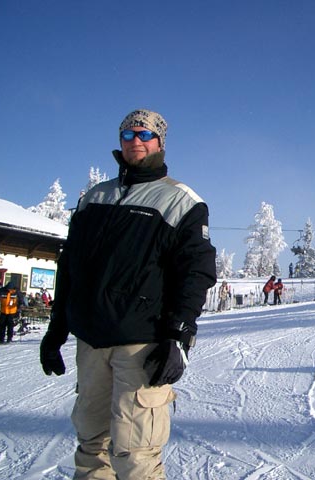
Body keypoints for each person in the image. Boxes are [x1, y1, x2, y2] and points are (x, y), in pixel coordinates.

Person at [39, 109, 217, 480]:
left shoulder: (181, 201)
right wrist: (57, 329)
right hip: (91, 341)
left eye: (144, 134)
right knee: (91, 446)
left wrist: (178, 336)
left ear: (159, 142)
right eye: (127, 135)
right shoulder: (94, 198)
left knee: (135, 454)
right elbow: (70, 266)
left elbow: (195, 274)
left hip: (141, 344)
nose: (135, 141)